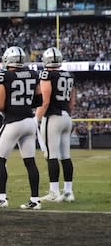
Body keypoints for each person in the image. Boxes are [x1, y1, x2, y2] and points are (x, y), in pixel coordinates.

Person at [0, 46, 43, 210]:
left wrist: (10, 107)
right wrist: (24, 104)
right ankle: (35, 199)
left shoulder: (3, 75)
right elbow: (39, 101)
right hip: (29, 121)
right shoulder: (33, 74)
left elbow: (0, 104)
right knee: (30, 161)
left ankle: (2, 198)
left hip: (13, 122)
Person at [36, 47, 76, 202]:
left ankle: (54, 192)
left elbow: (45, 101)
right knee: (65, 156)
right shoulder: (69, 74)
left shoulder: (46, 74)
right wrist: (67, 114)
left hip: (53, 117)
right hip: (66, 117)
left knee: (51, 156)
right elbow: (72, 101)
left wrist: (36, 118)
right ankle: (68, 191)